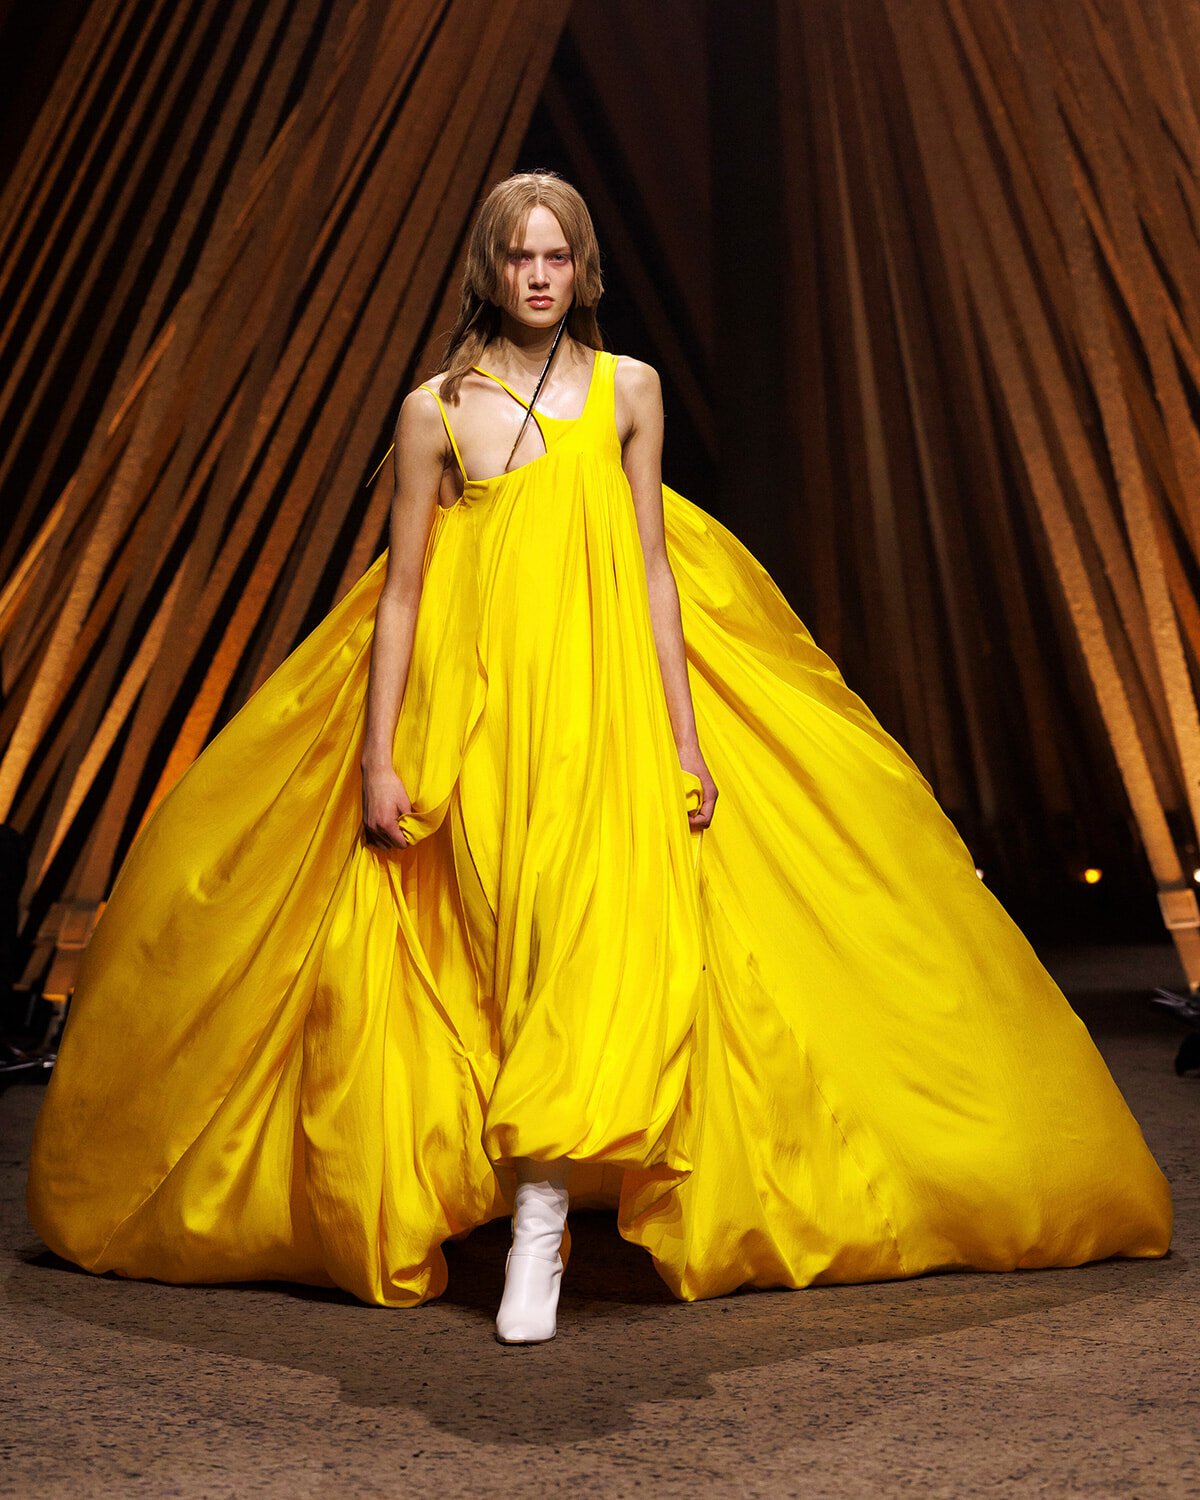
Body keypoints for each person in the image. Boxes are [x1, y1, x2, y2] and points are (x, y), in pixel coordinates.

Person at [27, 171, 1172, 1347]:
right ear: (489, 268)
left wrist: (683, 737)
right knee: (491, 950)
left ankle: (540, 1224)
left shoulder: (630, 390)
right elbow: (402, 595)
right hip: (474, 719)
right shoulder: (434, 412)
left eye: (557, 255)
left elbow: (652, 566)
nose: (538, 275)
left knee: (586, 942)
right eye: (519, 256)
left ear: (582, 270)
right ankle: (521, 1189)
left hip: (604, 708)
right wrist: (376, 760)